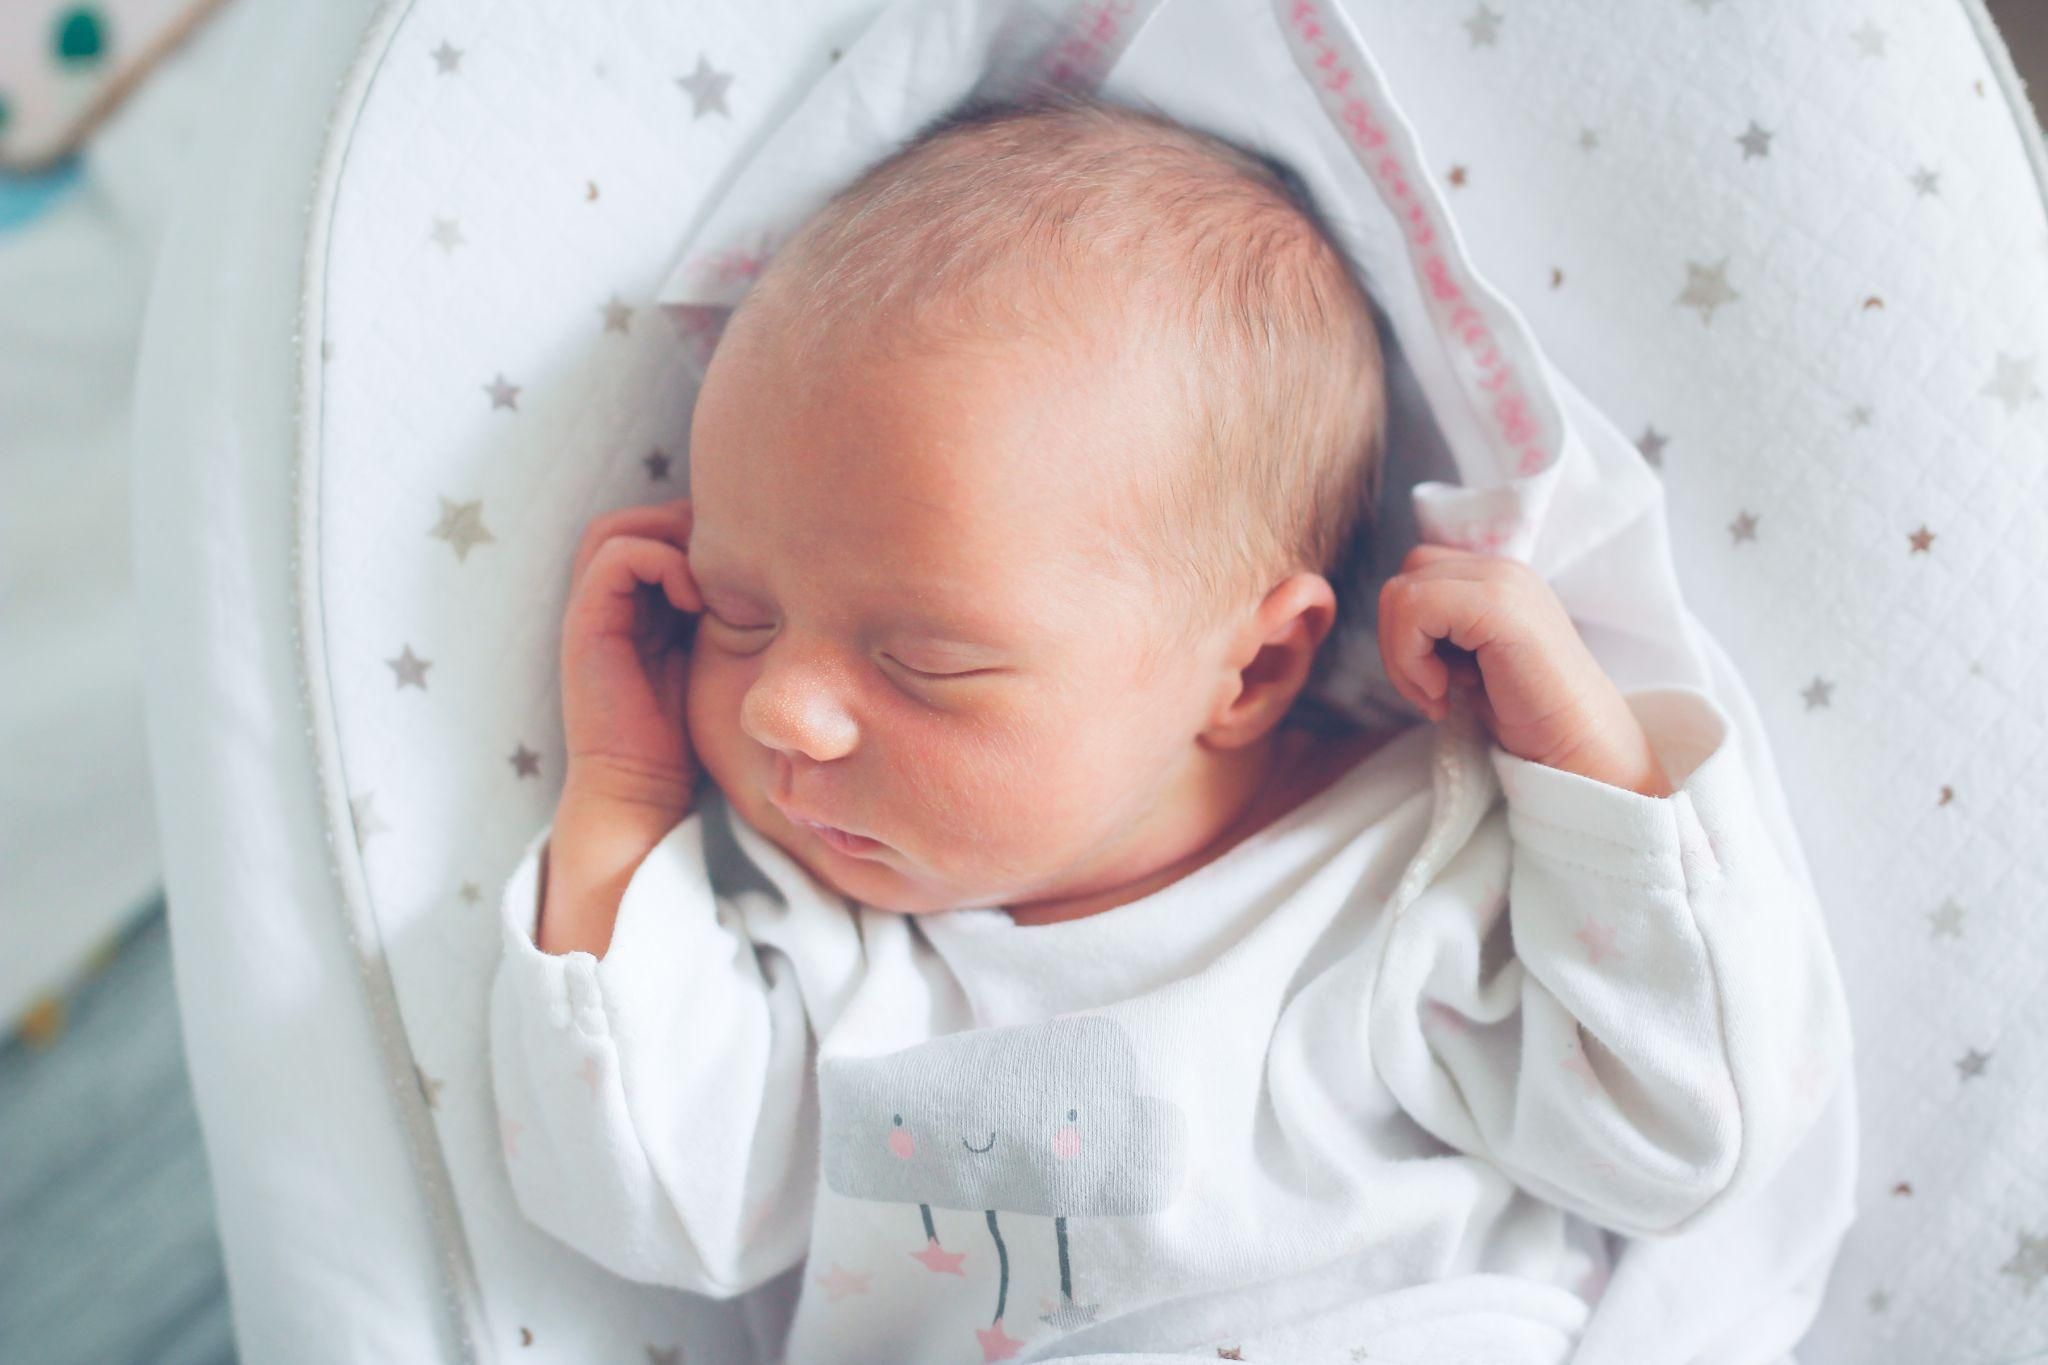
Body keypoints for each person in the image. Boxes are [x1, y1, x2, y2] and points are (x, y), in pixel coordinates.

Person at [488, 88, 1849, 1364]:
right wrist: (623, 781)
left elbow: (1684, 1134)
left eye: (924, 659)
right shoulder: (828, 942)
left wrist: (1584, 773)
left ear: (1251, 670)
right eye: (736, 609)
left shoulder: (1406, 869)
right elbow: (653, 1191)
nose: (784, 706)